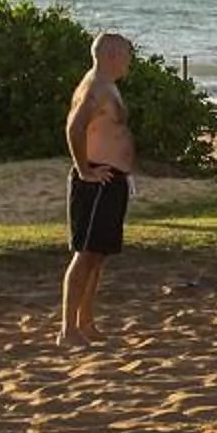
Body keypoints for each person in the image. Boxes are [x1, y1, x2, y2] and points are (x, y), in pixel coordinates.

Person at [59, 32, 137, 348]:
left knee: (98, 257)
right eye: (127, 54)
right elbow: (74, 127)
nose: (130, 60)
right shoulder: (96, 87)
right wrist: (84, 170)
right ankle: (68, 330)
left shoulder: (107, 85)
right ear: (112, 54)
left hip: (112, 180)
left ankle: (86, 322)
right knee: (85, 254)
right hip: (96, 182)